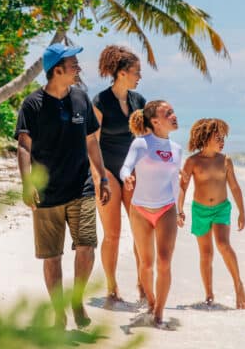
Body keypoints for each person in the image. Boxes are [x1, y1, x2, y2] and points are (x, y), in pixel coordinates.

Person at [15, 42, 111, 329]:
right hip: (46, 192)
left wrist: (102, 176)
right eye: (73, 64)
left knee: (87, 247)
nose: (79, 68)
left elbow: (92, 141)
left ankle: (77, 300)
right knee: (52, 256)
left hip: (81, 187)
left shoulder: (82, 99)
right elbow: (23, 146)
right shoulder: (32, 104)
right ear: (57, 70)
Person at [120, 100, 183, 328]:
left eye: (173, 111)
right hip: (140, 210)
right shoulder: (141, 144)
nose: (174, 115)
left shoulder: (177, 149)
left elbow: (175, 182)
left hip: (167, 208)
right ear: (155, 121)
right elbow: (126, 166)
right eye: (168, 113)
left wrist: (179, 209)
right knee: (146, 264)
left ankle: (158, 313)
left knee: (164, 262)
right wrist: (126, 177)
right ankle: (151, 301)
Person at [92, 45, 146, 306]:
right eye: (137, 71)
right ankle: (112, 286)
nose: (139, 76)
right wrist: (100, 178)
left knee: (140, 232)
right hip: (106, 171)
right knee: (112, 234)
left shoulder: (139, 101)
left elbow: (148, 140)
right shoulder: (100, 102)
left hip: (132, 172)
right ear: (123, 73)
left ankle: (142, 283)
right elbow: (91, 143)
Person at [178, 118, 245, 309]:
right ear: (206, 137)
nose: (222, 141)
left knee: (223, 245)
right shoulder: (192, 161)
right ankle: (209, 295)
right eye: (218, 137)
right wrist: (179, 209)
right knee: (206, 254)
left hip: (221, 209)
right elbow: (182, 187)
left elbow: (234, 187)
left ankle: (238, 285)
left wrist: (242, 211)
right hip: (200, 210)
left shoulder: (225, 160)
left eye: (223, 138)